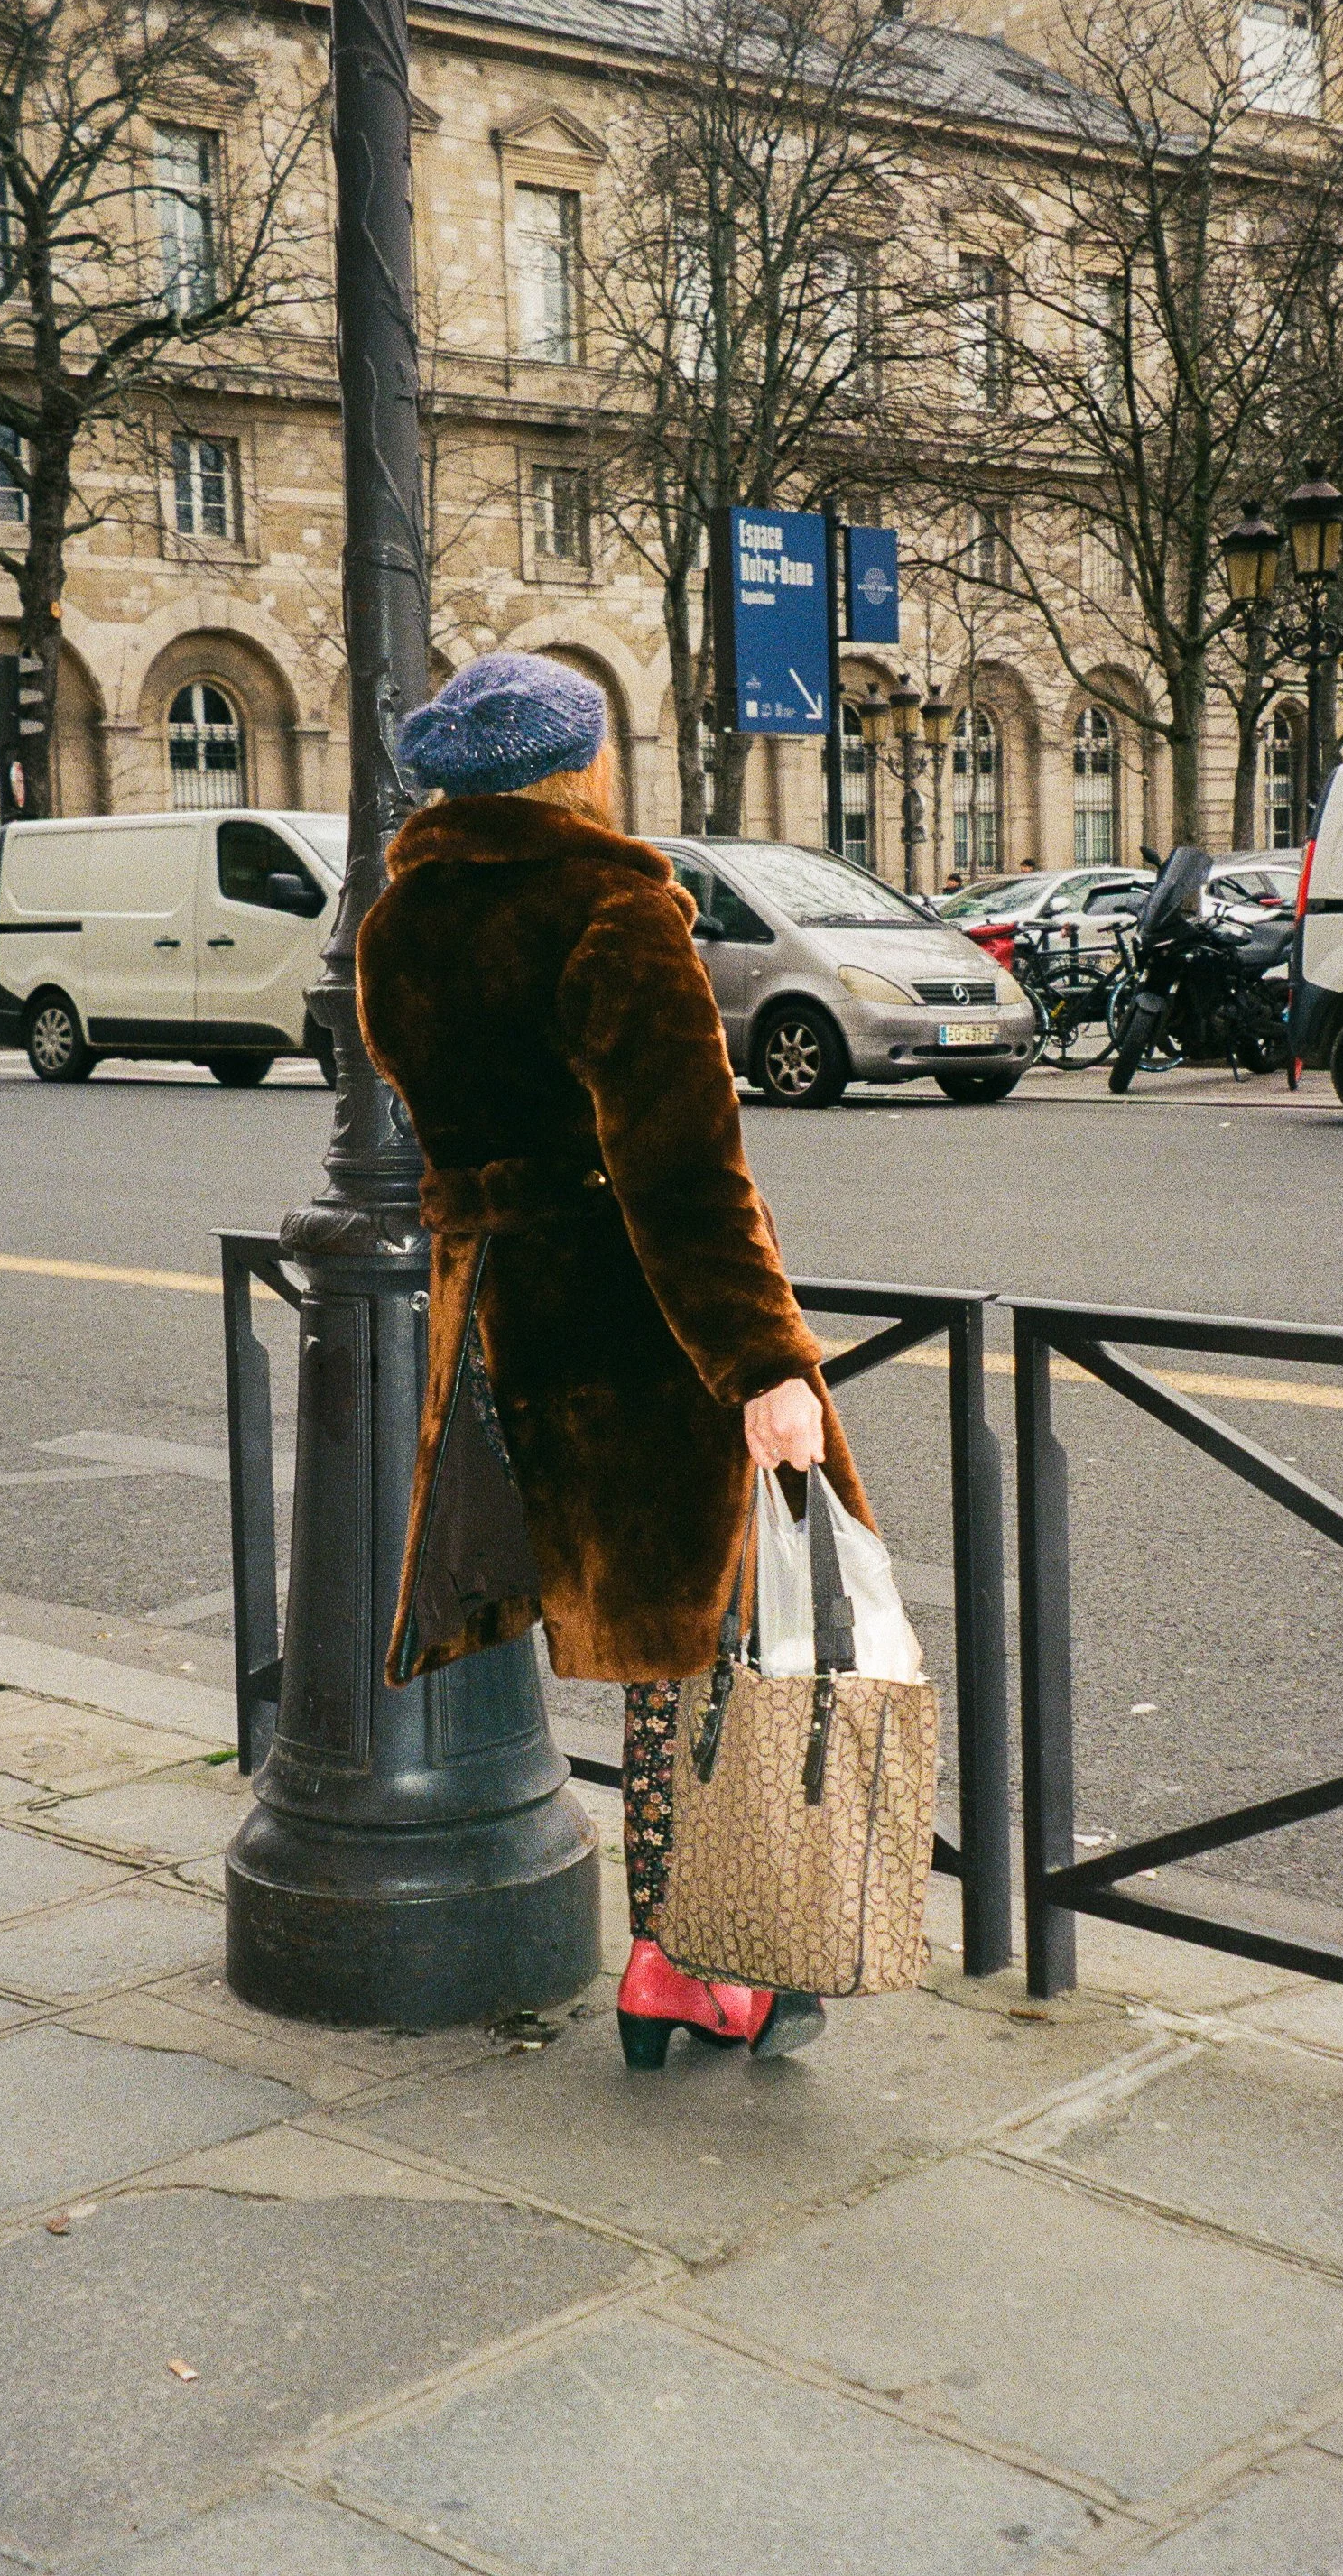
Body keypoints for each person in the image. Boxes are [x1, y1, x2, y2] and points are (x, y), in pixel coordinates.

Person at [357, 651, 873, 2070]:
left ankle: (672, 1957)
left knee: (663, 1646)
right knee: (713, 1635)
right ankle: (692, 1960)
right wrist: (763, 1364)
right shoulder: (613, 908)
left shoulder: (398, 924)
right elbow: (683, 1171)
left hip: (496, 1323)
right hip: (636, 1328)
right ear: (574, 769)